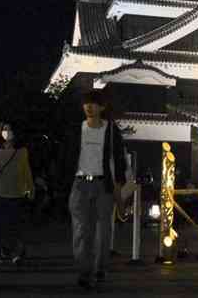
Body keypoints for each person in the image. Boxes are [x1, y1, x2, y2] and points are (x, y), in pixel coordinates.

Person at [61, 91, 125, 290]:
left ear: (102, 108)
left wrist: (118, 185)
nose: (89, 107)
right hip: (79, 183)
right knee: (81, 230)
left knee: (102, 231)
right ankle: (83, 271)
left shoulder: (111, 130)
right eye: (86, 103)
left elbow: (119, 159)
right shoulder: (76, 129)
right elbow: (65, 155)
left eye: (94, 104)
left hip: (103, 185)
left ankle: (100, 268)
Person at [0, 122, 33, 265]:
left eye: (10, 130)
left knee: (15, 226)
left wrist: (29, 188)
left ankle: (17, 253)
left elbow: (26, 171)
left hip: (16, 192)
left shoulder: (22, 151)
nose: (7, 132)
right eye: (4, 130)